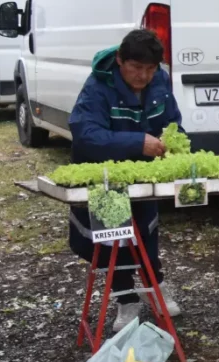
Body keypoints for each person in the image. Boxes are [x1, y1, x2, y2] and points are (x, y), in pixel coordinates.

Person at [66, 29, 183, 332]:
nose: (143, 75)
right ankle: (125, 298)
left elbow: (172, 121)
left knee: (146, 233)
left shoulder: (159, 80)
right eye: (136, 67)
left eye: (150, 69)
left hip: (143, 174)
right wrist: (136, 143)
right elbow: (86, 135)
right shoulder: (97, 86)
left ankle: (155, 287)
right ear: (120, 60)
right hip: (106, 175)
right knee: (113, 238)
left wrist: (174, 141)